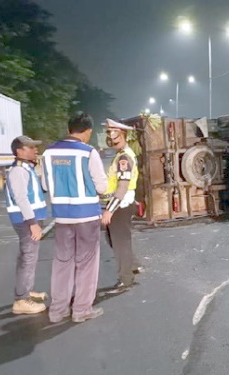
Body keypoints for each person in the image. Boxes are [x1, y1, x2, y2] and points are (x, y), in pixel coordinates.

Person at [42, 112, 108, 323]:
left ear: (69, 128)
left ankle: (57, 310)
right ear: (87, 131)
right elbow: (102, 186)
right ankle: (81, 310)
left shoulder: (48, 153)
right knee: (87, 264)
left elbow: (45, 185)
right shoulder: (88, 152)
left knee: (62, 263)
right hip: (87, 216)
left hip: (62, 218)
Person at [5, 136, 48, 314]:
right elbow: (21, 198)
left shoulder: (27, 168)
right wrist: (32, 223)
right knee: (28, 258)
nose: (35, 150)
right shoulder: (18, 171)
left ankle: (26, 290)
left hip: (30, 219)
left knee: (28, 256)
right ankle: (21, 300)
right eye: (30, 148)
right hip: (26, 221)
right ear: (19, 151)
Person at [102, 119, 141, 294]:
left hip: (121, 204)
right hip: (121, 203)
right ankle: (133, 265)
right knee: (117, 240)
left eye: (114, 134)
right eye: (109, 134)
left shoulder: (124, 158)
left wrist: (110, 210)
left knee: (120, 243)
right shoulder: (121, 155)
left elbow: (122, 186)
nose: (110, 137)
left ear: (123, 135)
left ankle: (125, 279)